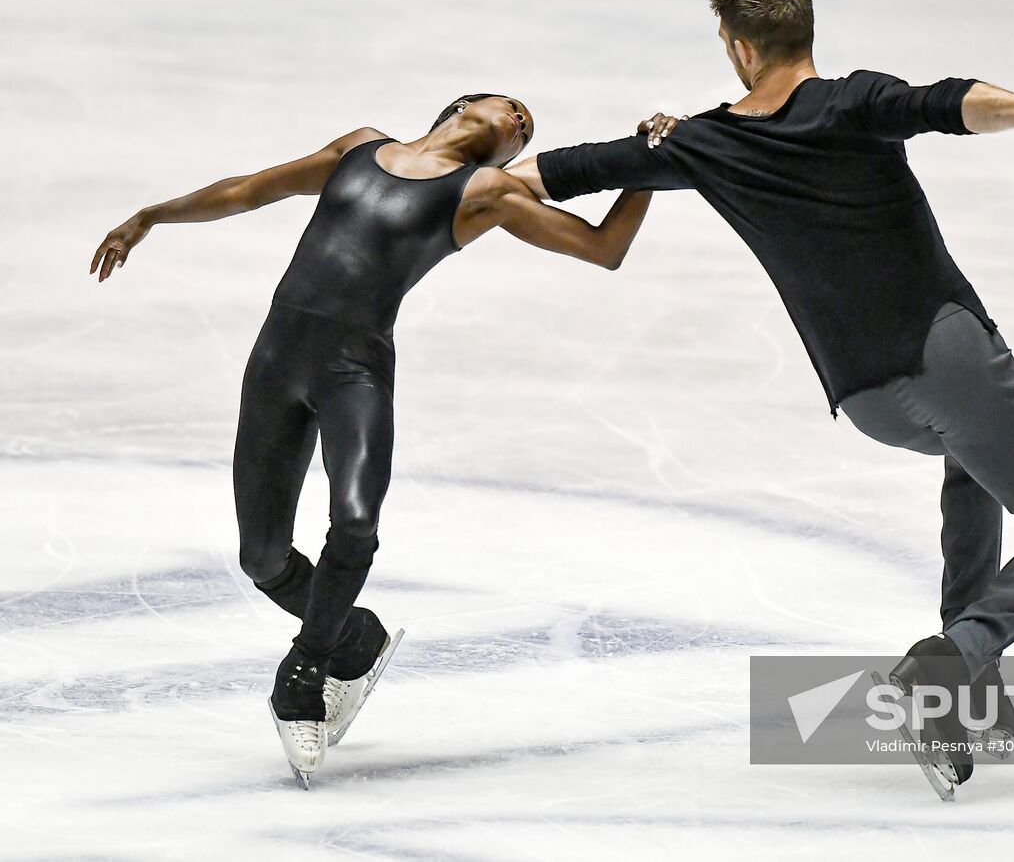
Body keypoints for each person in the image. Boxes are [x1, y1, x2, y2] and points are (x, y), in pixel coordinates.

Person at [505, 0, 1014, 794]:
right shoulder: (854, 102)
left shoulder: (703, 143)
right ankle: (955, 659)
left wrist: (432, 173)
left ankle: (968, 685)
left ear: (740, 49)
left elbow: (560, 172)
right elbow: (948, 101)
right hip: (946, 356)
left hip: (864, 398)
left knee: (974, 464)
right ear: (805, 35)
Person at [90, 94, 656, 787]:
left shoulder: (484, 192)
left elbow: (604, 248)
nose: (519, 121)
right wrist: (149, 217)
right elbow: (246, 190)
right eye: (511, 107)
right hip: (275, 362)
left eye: (526, 130)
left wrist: (648, 166)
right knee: (262, 557)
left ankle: (305, 669)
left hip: (353, 371)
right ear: (461, 105)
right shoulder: (358, 148)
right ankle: (356, 638)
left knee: (355, 525)